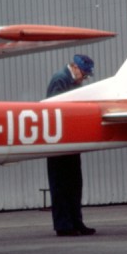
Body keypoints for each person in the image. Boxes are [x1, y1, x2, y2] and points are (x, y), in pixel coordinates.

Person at [45, 54, 97, 237]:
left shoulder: (72, 83)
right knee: (61, 185)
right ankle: (63, 225)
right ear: (75, 67)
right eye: (84, 73)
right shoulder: (60, 80)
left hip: (70, 141)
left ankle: (76, 221)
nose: (84, 78)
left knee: (74, 184)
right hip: (59, 144)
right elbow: (54, 110)